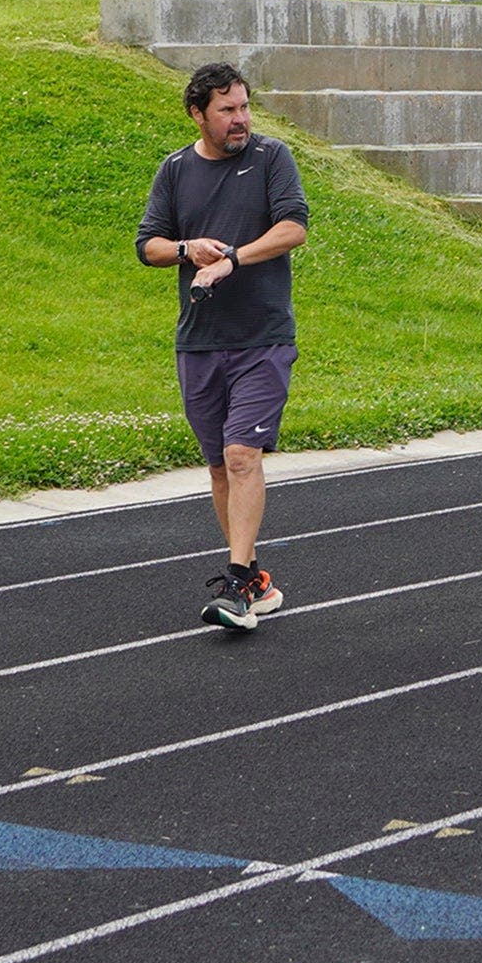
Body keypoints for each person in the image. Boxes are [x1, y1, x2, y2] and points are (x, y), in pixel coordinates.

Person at [135, 63, 310, 630]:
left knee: (241, 456)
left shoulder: (270, 158)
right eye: (227, 111)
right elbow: (149, 246)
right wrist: (188, 249)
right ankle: (255, 578)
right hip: (199, 342)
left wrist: (233, 258)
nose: (240, 120)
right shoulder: (176, 169)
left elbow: (294, 229)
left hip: (262, 338)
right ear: (198, 114)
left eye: (244, 107)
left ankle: (236, 587)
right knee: (217, 467)